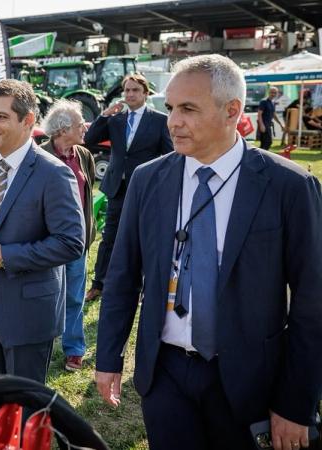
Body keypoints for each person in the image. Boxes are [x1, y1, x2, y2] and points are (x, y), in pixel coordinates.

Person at [94, 54, 322, 450]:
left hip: (250, 378)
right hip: (164, 372)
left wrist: (296, 402)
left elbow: (313, 300)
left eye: (188, 109)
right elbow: (123, 275)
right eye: (170, 108)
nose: (172, 121)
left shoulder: (289, 186)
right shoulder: (148, 179)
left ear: (232, 110)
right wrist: (108, 357)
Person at [0, 79, 84, 384]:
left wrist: (4, 256)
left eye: (0, 116)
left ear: (28, 121)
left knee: (26, 401)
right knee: (1, 397)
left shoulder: (54, 173)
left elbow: (70, 243)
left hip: (30, 313)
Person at [84, 73, 173, 302]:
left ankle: (143, 286)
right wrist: (104, 114)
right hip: (117, 187)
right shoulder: (116, 120)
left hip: (145, 189)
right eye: (127, 90)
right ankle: (99, 284)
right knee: (109, 238)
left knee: (143, 237)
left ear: (146, 93)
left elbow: (170, 155)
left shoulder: (159, 120)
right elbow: (90, 139)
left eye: (135, 90)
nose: (130, 94)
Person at [40, 99, 96, 372]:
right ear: (62, 130)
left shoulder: (83, 155)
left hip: (77, 243)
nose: (85, 127)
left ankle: (74, 349)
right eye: (80, 124)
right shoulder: (39, 156)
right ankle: (42, 347)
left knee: (74, 296)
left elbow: (88, 191)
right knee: (47, 298)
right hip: (48, 243)